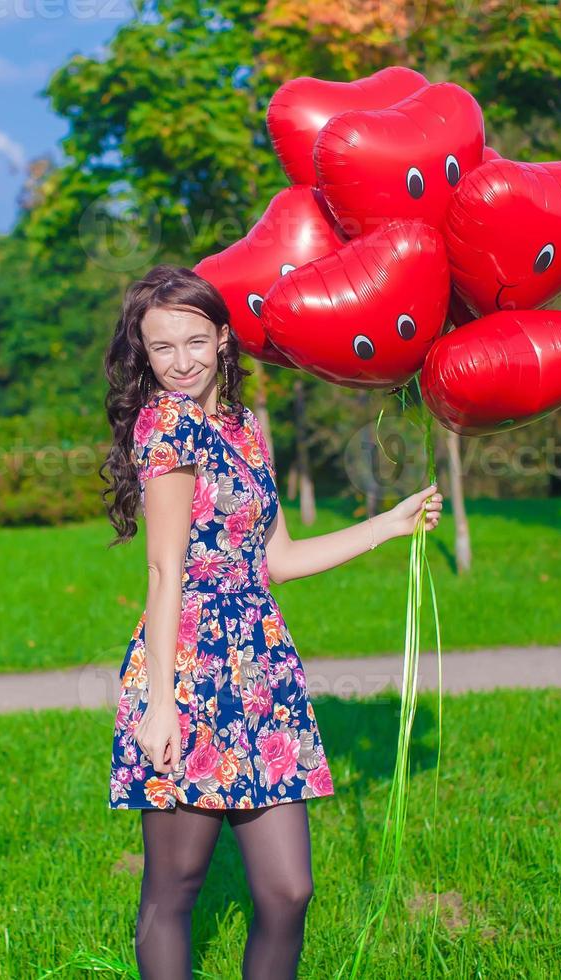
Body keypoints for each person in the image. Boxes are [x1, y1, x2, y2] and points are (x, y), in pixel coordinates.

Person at [100, 264, 442, 979]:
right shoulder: (164, 427)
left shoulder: (244, 428)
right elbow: (165, 573)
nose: (182, 361)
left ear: (223, 339)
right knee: (175, 888)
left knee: (288, 890)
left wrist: (388, 524)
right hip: (188, 669)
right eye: (162, 348)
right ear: (144, 351)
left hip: (261, 669)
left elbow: (277, 559)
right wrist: (160, 704)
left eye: (196, 341)